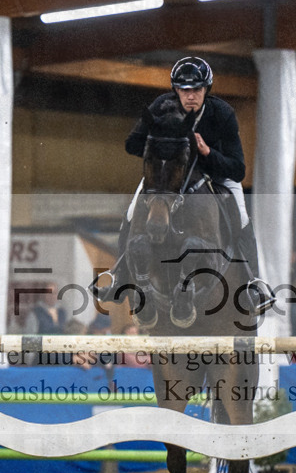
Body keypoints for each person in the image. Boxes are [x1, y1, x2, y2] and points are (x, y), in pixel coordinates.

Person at [100, 56, 273, 314]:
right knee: (130, 212)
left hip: (215, 173)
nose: (190, 96)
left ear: (206, 90)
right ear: (176, 91)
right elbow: (131, 144)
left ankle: (252, 282)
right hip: (168, 175)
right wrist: (158, 141)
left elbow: (238, 168)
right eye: (184, 90)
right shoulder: (161, 107)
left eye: (197, 90)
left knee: (244, 217)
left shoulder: (222, 113)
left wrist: (206, 152)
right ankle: (119, 275)